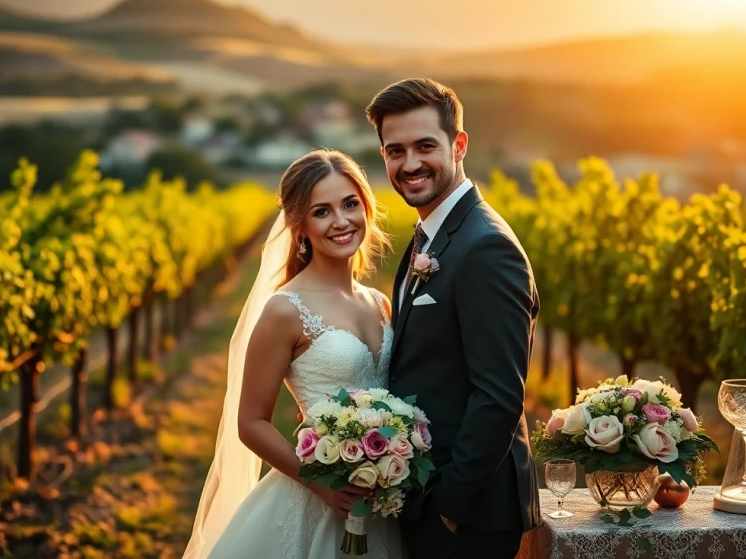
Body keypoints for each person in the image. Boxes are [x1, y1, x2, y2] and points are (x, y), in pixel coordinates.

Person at [182, 149, 406, 559]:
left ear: (367, 208)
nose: (341, 221)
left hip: (381, 499)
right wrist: (320, 483)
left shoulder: (379, 302)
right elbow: (250, 422)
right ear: (300, 226)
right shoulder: (285, 309)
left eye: (350, 204)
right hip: (313, 500)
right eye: (322, 211)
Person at [365, 78, 542, 559]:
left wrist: (449, 506)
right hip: (427, 499)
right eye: (394, 150)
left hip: (467, 517)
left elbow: (500, 395)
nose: (410, 164)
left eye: (425, 146)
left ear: (459, 144)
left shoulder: (485, 247)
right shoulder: (432, 232)